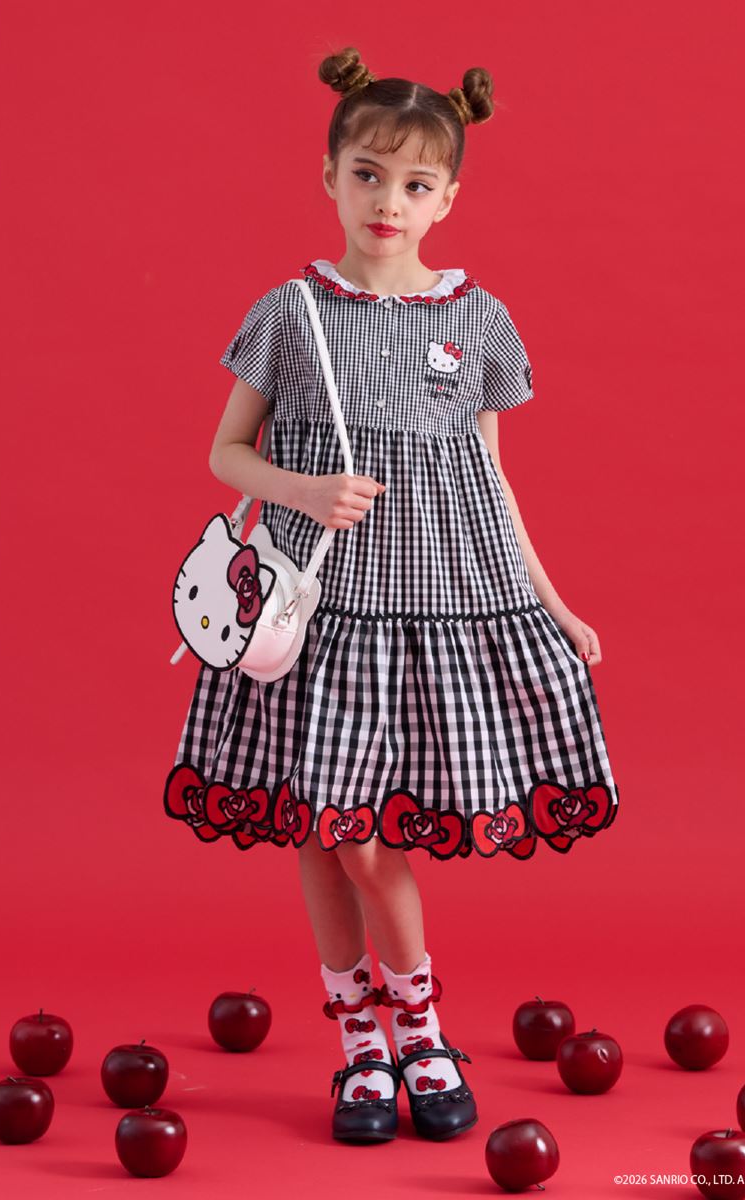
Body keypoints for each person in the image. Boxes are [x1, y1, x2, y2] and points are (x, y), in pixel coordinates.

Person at [164, 46, 620, 1144]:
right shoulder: (289, 311)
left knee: (364, 836)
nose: (388, 202)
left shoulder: (481, 321)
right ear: (329, 176)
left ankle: (416, 1027)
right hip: (316, 618)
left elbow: (492, 481)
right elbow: (227, 453)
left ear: (447, 199)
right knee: (322, 832)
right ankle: (364, 1042)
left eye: (415, 184)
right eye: (367, 174)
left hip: (435, 610)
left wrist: (553, 603)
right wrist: (303, 489)